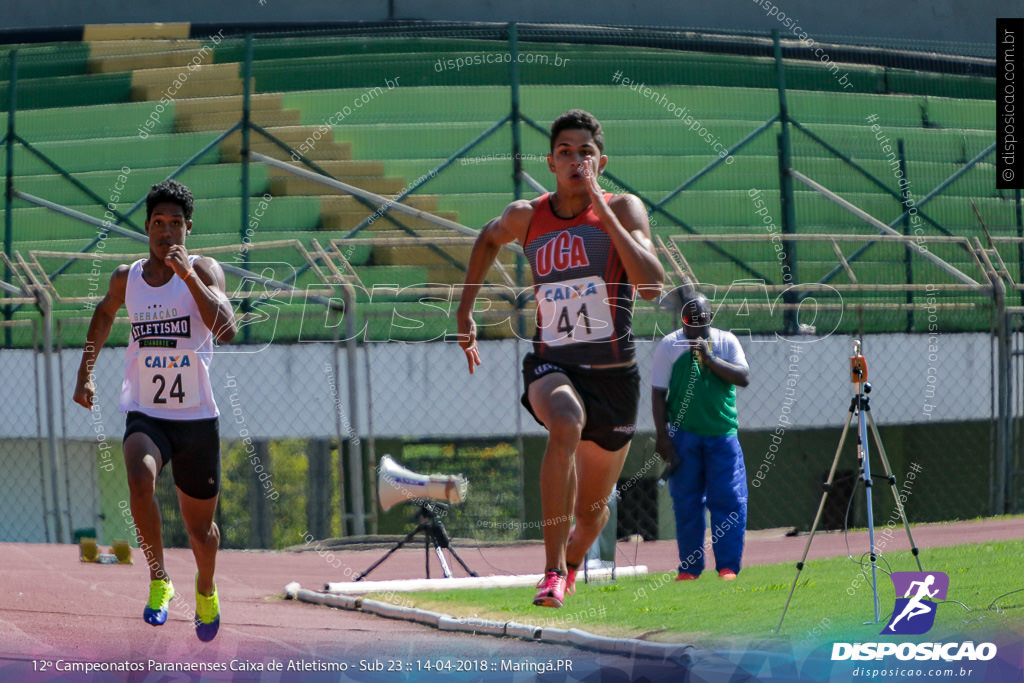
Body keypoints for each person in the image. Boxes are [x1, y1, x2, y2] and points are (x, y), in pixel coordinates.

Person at [457, 110, 665, 608]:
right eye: (566, 153)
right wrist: (464, 311)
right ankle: (550, 572)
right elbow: (487, 238)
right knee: (566, 424)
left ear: (602, 161)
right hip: (554, 365)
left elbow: (653, 286)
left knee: (593, 513)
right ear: (550, 162)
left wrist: (603, 209)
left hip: (615, 378)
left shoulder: (625, 208)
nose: (576, 161)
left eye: (586, 153)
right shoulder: (528, 217)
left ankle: (572, 563)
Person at [73, 180, 236, 640]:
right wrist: (85, 372)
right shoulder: (129, 278)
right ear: (147, 228)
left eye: (176, 225)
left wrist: (187, 277)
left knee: (200, 531)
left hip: (197, 420)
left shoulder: (205, 270)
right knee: (139, 478)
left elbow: (227, 330)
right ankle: (159, 579)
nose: (167, 233)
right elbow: (105, 314)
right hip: (147, 412)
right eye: (159, 224)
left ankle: (205, 587)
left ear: (189, 229)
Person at [651, 292, 750, 581]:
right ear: (681, 320)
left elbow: (742, 377)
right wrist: (662, 436)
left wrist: (709, 358)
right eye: (687, 320)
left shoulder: (726, 342)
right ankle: (690, 568)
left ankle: (728, 567)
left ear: (710, 318)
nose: (694, 326)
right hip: (684, 436)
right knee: (686, 501)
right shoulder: (669, 345)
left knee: (728, 499)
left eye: (700, 319)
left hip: (722, 434)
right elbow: (658, 394)